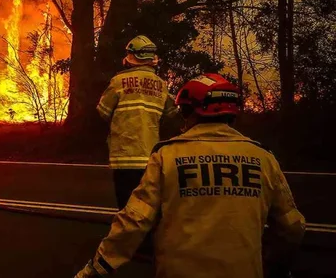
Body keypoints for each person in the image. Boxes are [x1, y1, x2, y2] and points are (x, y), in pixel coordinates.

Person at [75, 73, 306, 278]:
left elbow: (134, 221)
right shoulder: (263, 158)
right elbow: (292, 226)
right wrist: (276, 267)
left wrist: (96, 269)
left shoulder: (167, 156)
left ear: (188, 111)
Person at [97, 35, 177, 209]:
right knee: (148, 208)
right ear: (151, 58)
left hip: (123, 158)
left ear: (131, 56)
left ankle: (127, 236)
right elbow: (172, 114)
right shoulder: (161, 84)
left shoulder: (118, 81)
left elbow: (102, 111)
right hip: (151, 157)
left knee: (126, 209)